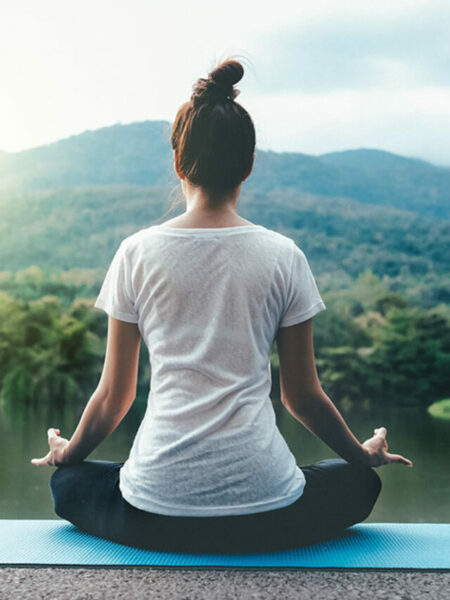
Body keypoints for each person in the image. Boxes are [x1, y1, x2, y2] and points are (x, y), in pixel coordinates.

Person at [31, 58, 413, 555]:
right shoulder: (284, 255)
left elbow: (114, 395)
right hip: (267, 515)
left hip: (153, 514)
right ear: (249, 164)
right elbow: (301, 397)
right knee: (361, 484)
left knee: (70, 485)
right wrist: (363, 458)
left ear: (178, 162)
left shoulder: (135, 252)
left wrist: (67, 456)